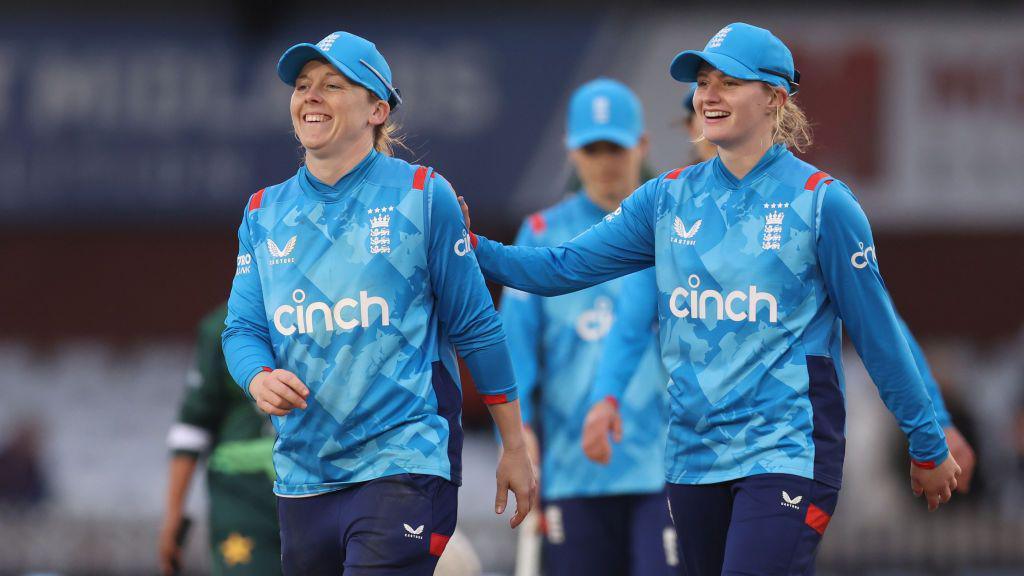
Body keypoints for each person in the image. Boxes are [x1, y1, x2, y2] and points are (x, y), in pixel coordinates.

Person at [458, 22, 960, 576]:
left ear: (775, 98)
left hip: (787, 452)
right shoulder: (667, 198)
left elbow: (879, 333)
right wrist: (469, 245)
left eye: (729, 81)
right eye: (702, 81)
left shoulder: (823, 205)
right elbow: (563, 267)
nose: (708, 94)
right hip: (693, 460)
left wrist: (926, 438)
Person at [221, 31, 535, 575]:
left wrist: (513, 445)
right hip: (302, 474)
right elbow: (241, 330)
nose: (310, 96)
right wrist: (257, 377)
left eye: (332, 85)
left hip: (403, 464)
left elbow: (479, 328)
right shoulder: (263, 212)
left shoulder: (421, 195)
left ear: (377, 109)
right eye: (302, 86)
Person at [501, 78, 676, 575]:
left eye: (615, 147)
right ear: (570, 151)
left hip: (665, 466)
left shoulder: (675, 229)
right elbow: (514, 353)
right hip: (572, 471)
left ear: (641, 146)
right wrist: (518, 436)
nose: (604, 161)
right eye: (591, 148)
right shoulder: (540, 235)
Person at [159, 304, 280, 576]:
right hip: (245, 497)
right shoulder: (221, 327)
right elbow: (193, 425)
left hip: (322, 482)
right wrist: (174, 513)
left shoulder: (333, 313)